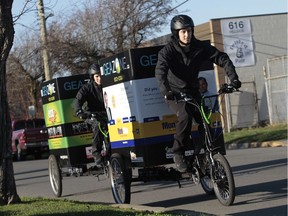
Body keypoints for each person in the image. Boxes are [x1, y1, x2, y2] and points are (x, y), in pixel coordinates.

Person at [155, 14, 241, 172]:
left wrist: (234, 80)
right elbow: (160, 72)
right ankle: (178, 152)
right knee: (185, 116)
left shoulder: (199, 47)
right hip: (174, 93)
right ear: (176, 34)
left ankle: (203, 154)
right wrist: (166, 91)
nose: (187, 35)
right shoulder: (167, 52)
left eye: (189, 31)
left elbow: (221, 58)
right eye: (183, 32)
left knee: (204, 120)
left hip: (192, 90)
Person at [75, 63, 108, 166]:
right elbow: (78, 100)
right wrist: (79, 111)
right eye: (97, 76)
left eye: (101, 75)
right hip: (92, 114)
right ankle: (96, 153)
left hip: (107, 113)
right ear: (93, 77)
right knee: (97, 125)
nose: (99, 78)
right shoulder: (87, 88)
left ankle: (112, 151)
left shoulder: (109, 85)